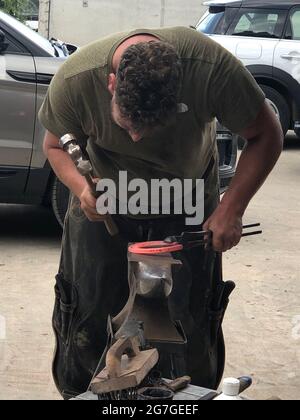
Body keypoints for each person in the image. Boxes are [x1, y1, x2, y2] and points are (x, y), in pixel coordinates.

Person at [39, 27, 283, 398]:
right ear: (110, 84)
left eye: (151, 127)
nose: (136, 138)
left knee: (187, 319)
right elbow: (55, 144)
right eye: (127, 124)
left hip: (185, 198)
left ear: (181, 95)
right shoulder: (75, 79)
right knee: (88, 315)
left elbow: (267, 133)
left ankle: (186, 395)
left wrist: (231, 210)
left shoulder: (211, 69)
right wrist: (80, 188)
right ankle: (85, 394)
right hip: (105, 201)